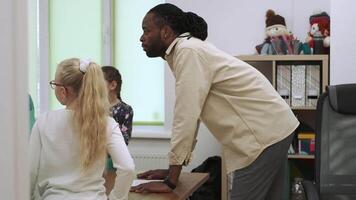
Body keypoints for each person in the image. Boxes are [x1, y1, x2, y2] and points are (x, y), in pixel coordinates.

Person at [131, 3, 299, 200]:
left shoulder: (188, 51)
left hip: (262, 136)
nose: (141, 37)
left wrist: (171, 180)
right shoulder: (188, 50)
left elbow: (186, 115)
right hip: (275, 128)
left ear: (166, 32)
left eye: (146, 30)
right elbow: (192, 114)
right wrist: (171, 172)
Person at [30, 58, 135, 200]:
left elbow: (30, 172)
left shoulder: (44, 122)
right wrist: (116, 198)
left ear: (63, 91)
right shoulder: (107, 123)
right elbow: (127, 168)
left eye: (54, 84)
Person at [102, 66, 134, 171]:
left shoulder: (125, 110)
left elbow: (124, 139)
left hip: (113, 160)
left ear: (113, 85)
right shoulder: (92, 108)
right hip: (93, 160)